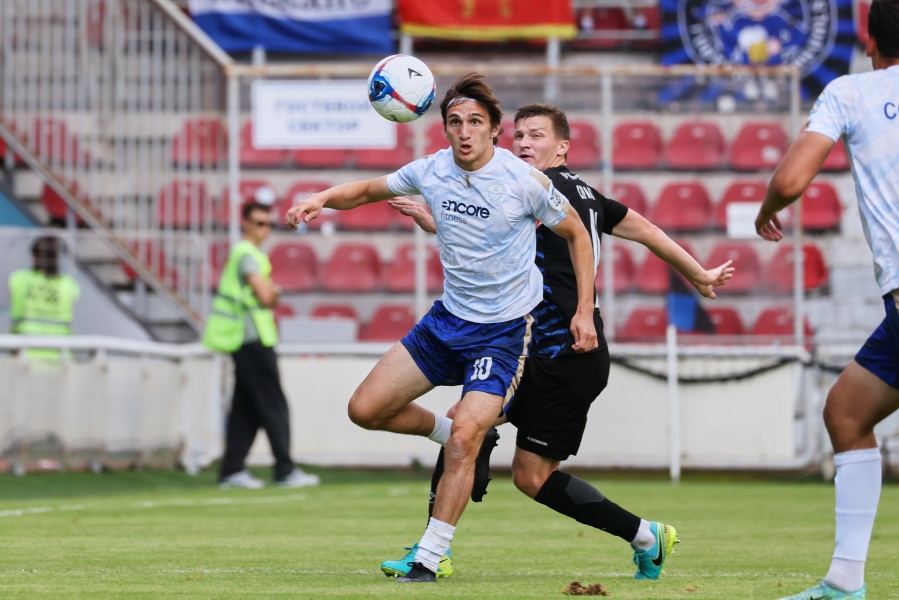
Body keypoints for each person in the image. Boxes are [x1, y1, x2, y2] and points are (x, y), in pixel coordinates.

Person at [381, 103, 735, 581]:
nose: (524, 144)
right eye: (519, 136)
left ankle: (646, 536)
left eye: (537, 136)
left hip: (565, 351)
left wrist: (438, 220)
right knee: (469, 429)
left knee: (527, 473)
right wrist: (699, 274)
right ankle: (430, 550)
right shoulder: (587, 195)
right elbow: (649, 232)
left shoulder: (535, 190)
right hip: (540, 348)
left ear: (563, 146)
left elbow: (492, 233)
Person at [285, 74, 599, 583]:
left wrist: (583, 310)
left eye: (475, 122)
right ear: (445, 129)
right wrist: (320, 197)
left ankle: (430, 556)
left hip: (503, 332)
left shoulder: (525, 181)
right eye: (455, 122)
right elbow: (365, 190)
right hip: (446, 323)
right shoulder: (431, 170)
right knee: (365, 410)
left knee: (464, 443)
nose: (464, 131)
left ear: (494, 129)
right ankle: (454, 432)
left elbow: (578, 235)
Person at [754, 2, 899, 598]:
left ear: (869, 40)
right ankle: (844, 580)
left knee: (846, 415)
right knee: (847, 413)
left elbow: (791, 181)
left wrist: (768, 208)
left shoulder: (851, 91)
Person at [203, 201, 320, 490]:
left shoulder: (245, 253)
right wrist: (275, 292)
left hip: (244, 340)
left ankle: (231, 471)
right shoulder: (247, 254)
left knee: (245, 409)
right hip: (253, 341)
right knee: (273, 405)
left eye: (268, 224)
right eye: (258, 223)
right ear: (245, 223)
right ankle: (285, 470)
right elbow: (266, 297)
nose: (264, 229)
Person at [8, 235, 80, 360]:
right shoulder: (68, 284)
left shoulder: (18, 279)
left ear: (35, 256)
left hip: (26, 351)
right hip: (60, 354)